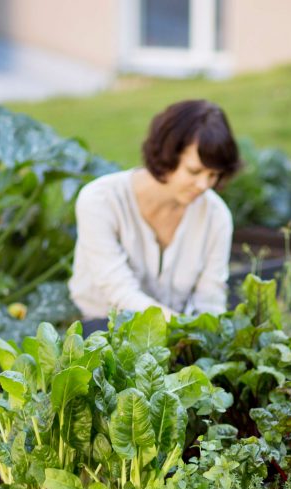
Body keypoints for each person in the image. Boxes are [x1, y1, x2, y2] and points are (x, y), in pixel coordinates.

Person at [69, 100, 241, 331]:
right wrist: (183, 329)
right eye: (194, 171)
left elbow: (210, 301)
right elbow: (119, 292)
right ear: (167, 155)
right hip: (98, 330)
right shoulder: (100, 200)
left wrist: (204, 337)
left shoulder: (216, 216)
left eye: (213, 175)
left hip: (174, 335)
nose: (203, 185)